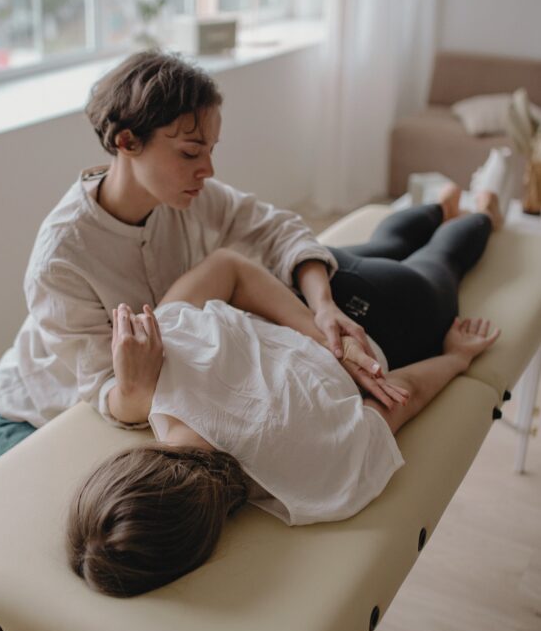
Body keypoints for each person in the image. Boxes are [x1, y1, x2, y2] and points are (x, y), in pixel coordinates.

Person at [0, 50, 377, 631]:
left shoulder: (190, 196)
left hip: (142, 396)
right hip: (43, 408)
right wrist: (135, 392)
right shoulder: (63, 254)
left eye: (211, 150)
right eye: (191, 150)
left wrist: (322, 305)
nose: (207, 168)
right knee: (91, 553)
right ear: (125, 142)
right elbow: (100, 393)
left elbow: (277, 229)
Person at [67, 188, 502, 600]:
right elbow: (228, 267)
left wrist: (456, 358)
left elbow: (400, 394)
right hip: (316, 290)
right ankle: (443, 206)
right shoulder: (161, 356)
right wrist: (322, 326)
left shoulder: (319, 489)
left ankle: (483, 212)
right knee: (388, 243)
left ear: (195, 538)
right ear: (128, 462)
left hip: (396, 319)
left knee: (443, 260)